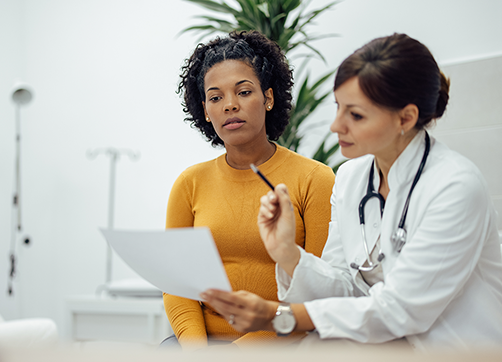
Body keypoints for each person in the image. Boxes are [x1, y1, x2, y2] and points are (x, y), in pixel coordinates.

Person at [200, 33, 502, 351]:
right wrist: (287, 254)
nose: (336, 125)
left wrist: (280, 316)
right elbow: (345, 287)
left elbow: (400, 310)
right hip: (383, 346)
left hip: (457, 351)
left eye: (355, 115)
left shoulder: (455, 186)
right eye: (338, 108)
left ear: (406, 117)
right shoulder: (352, 178)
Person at [163, 31, 335, 351]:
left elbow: (318, 291)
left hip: (282, 341)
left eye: (243, 92)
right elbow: (178, 287)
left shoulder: (315, 179)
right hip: (199, 345)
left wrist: (238, 353)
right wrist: (198, 352)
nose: (230, 105)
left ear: (268, 97)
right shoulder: (189, 184)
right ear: (204, 110)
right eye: (215, 97)